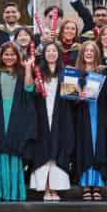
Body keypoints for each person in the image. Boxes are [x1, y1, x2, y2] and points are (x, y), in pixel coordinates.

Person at [0, 42, 37, 202]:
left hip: (16, 114)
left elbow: (29, 88)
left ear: (17, 56)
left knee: (14, 150)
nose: (9, 57)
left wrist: (27, 68)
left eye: (12, 54)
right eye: (6, 54)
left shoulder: (21, 72)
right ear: (1, 56)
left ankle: (14, 193)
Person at [29, 42, 74, 201]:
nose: (51, 53)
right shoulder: (38, 72)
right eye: (48, 51)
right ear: (44, 54)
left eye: (54, 51)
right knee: (43, 150)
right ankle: (45, 188)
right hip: (42, 116)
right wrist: (34, 88)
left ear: (58, 54)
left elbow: (72, 96)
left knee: (57, 149)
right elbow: (32, 95)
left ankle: (55, 188)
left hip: (60, 116)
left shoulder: (66, 72)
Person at [72, 41, 107, 201]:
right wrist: (78, 97)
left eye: (91, 50)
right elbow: (69, 97)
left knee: (98, 146)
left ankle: (97, 184)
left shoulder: (102, 72)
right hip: (81, 115)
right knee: (84, 147)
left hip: (98, 114)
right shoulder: (75, 73)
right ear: (81, 54)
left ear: (96, 54)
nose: (88, 53)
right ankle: (86, 185)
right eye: (85, 50)